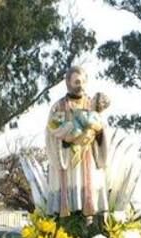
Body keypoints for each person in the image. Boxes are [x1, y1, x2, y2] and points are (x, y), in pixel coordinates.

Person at [45, 65, 109, 216]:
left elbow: (102, 128)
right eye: (76, 82)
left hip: (88, 158)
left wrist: (97, 132)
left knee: (90, 190)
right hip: (67, 158)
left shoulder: (93, 105)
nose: (80, 86)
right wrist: (70, 132)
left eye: (82, 82)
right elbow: (53, 129)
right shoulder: (60, 107)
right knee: (70, 190)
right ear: (68, 82)